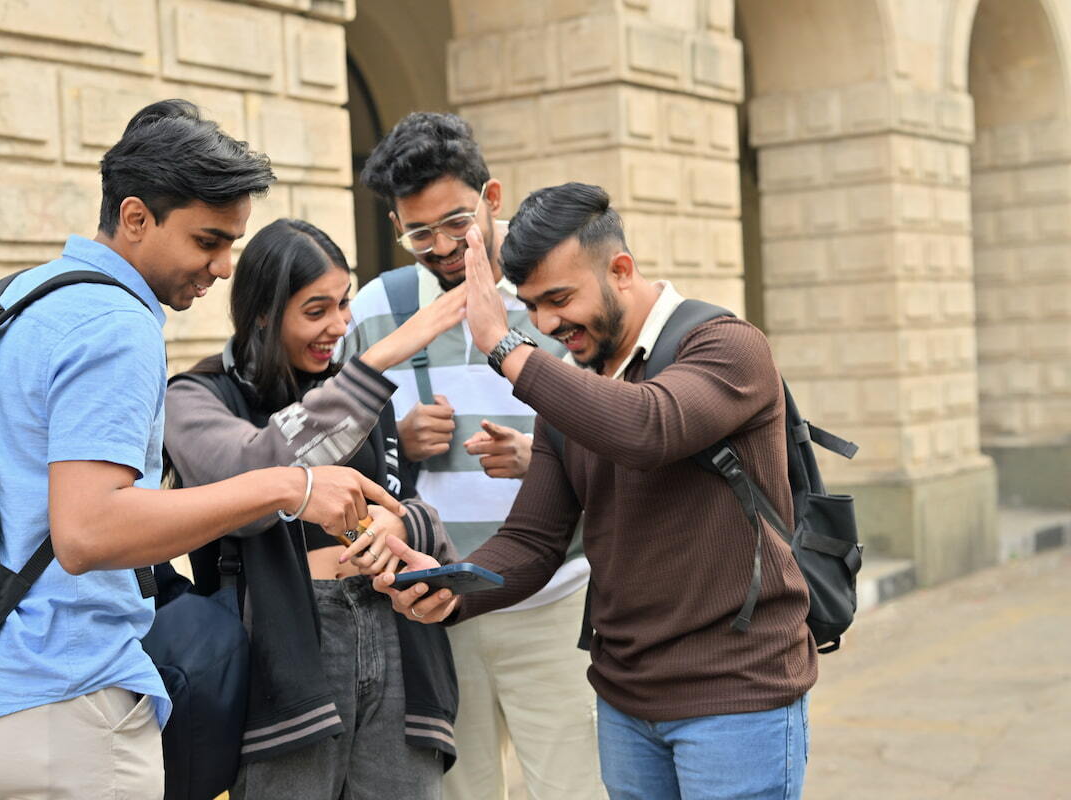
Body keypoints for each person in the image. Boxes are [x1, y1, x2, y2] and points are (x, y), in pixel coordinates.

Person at [0, 100, 399, 800]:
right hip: (61, 703)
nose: (225, 267)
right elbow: (87, 530)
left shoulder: (22, 296)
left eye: (231, 243)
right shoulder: (115, 320)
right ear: (135, 217)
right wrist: (287, 486)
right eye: (207, 241)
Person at [377, 182, 817, 800]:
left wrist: (506, 346)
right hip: (626, 701)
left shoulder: (724, 346)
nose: (550, 325)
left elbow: (648, 427)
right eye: (531, 308)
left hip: (735, 695)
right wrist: (448, 586)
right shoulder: (573, 389)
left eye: (559, 298)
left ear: (621, 269)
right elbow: (532, 542)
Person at [345, 112, 605, 800]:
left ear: (492, 201)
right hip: (436, 607)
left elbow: (621, 427)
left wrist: (541, 459)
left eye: (455, 224)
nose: (440, 247)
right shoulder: (379, 309)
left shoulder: (553, 301)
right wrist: (396, 440)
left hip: (556, 601)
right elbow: (336, 456)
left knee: (576, 786)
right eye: (417, 233)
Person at [163, 218, 469, 800]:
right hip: (281, 666)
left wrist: (403, 525)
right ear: (261, 312)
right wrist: (379, 361)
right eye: (316, 310)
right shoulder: (195, 397)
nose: (339, 326)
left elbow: (415, 513)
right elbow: (250, 473)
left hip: (401, 648)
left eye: (345, 305)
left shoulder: (361, 394)